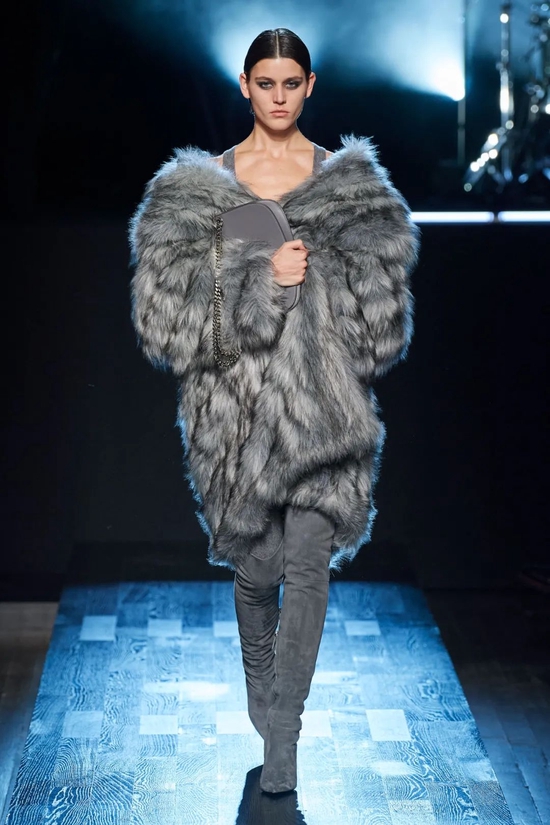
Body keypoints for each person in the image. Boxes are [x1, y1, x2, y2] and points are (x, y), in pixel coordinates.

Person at [129, 28, 419, 794]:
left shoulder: (352, 192)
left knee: (308, 564)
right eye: (267, 83)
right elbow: (166, 323)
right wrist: (262, 278)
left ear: (310, 86)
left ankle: (284, 733)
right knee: (257, 573)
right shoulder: (201, 194)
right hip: (238, 420)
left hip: (324, 415)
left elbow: (385, 326)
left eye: (292, 83)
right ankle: (263, 691)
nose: (280, 96)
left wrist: (325, 290)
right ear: (246, 85)